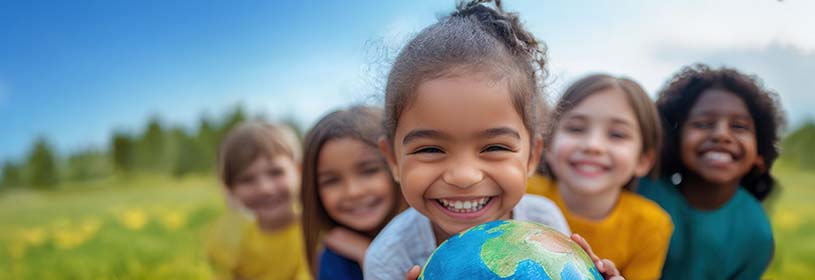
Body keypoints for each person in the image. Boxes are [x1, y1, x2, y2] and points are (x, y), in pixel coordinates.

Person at [363, 1, 622, 279]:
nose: (464, 176)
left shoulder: (544, 222)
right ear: (392, 158)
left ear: (532, 156)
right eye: (430, 149)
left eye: (494, 147)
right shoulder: (389, 259)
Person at [637, 64, 785, 280]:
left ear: (759, 154)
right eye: (703, 124)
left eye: (739, 126)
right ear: (674, 141)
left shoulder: (756, 233)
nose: (721, 135)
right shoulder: (643, 190)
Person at [529, 74, 672, 279]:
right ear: (549, 145)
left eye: (617, 134)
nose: (592, 145)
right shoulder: (521, 193)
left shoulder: (651, 225)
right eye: (576, 129)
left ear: (643, 160)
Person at [300, 106, 407, 279]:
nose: (353, 192)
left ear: (395, 164)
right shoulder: (335, 259)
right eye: (331, 181)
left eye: (369, 171)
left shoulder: (437, 231)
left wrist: (370, 256)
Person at [205, 121, 309, 280]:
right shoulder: (232, 242)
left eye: (276, 172)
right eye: (247, 179)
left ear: (298, 171)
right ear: (230, 188)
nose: (265, 189)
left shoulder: (314, 233)